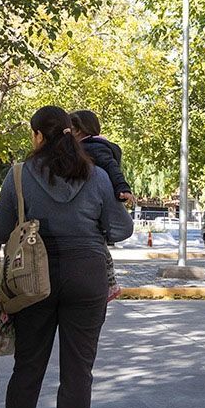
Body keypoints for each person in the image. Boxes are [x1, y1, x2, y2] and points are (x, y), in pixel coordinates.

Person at [0, 105, 133, 408]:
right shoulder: (98, 175)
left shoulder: (18, 175)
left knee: (28, 368)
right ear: (71, 133)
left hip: (34, 279)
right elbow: (120, 229)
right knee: (78, 372)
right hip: (87, 277)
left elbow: (1, 230)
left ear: (38, 136)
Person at [69, 110, 133, 302]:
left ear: (79, 131)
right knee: (101, 249)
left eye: (70, 130)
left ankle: (111, 284)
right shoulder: (92, 147)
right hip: (96, 218)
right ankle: (110, 284)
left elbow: (111, 167)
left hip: (97, 209)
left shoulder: (93, 148)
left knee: (102, 251)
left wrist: (122, 187)